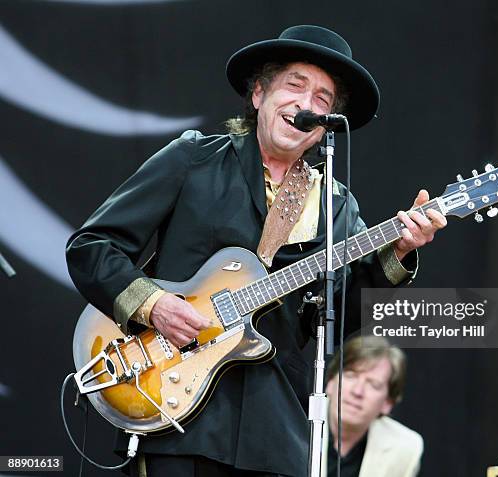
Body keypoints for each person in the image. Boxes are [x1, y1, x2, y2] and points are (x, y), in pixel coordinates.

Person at [66, 25, 445, 477]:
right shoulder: (194, 160)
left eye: (323, 100)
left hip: (273, 433)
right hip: (177, 417)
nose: (306, 105)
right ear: (259, 95)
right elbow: (91, 247)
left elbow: (335, 321)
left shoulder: (335, 204)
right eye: (295, 86)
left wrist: (398, 253)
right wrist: (154, 305)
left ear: (328, 122)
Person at [324, 336, 423, 477]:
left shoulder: (406, 447)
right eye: (351, 375)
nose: (357, 391)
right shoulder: (293, 424)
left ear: (388, 403)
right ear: (330, 382)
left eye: (373, 385)